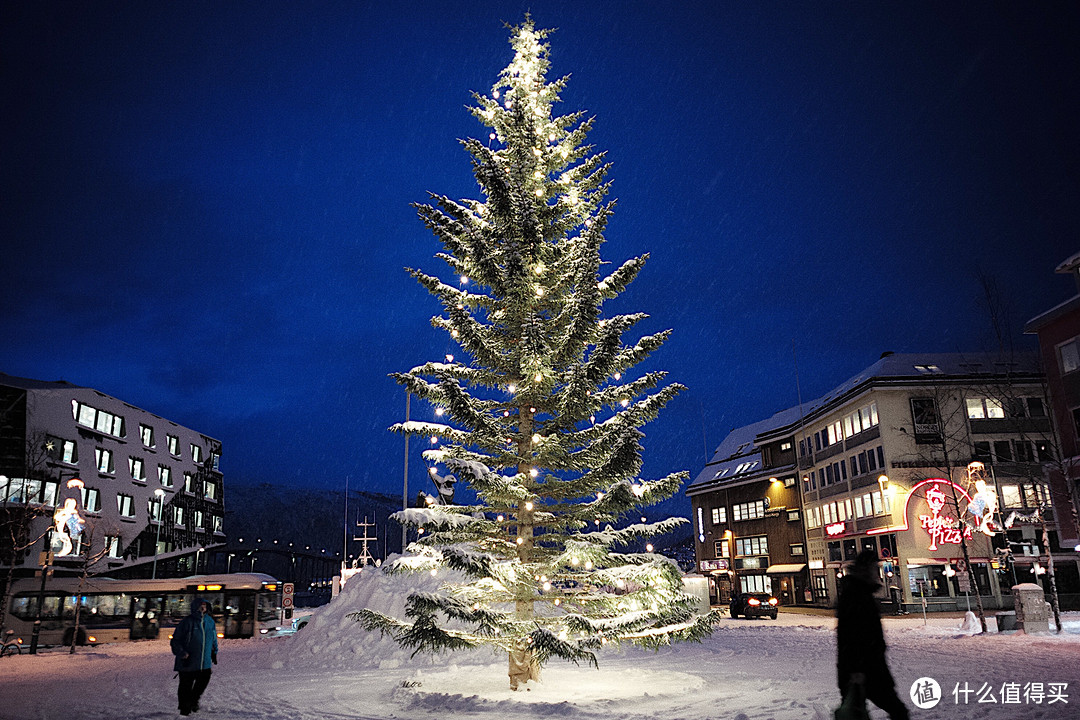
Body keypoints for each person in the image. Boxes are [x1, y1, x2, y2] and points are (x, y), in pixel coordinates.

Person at [836, 550, 909, 720]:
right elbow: (850, 636)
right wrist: (856, 669)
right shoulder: (856, 596)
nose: (877, 573)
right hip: (865, 670)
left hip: (865, 668)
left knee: (860, 713)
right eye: (874, 568)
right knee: (897, 712)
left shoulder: (859, 594)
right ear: (865, 570)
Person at [170, 597, 218, 715]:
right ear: (195, 607)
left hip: (204, 661)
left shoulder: (210, 621)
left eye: (205, 606)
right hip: (188, 661)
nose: (203, 608)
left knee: (203, 681)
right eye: (200, 605)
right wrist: (181, 652)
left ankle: (193, 701)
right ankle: (184, 707)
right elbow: (176, 640)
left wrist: (214, 651)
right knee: (186, 685)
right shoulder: (187, 622)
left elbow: (213, 638)